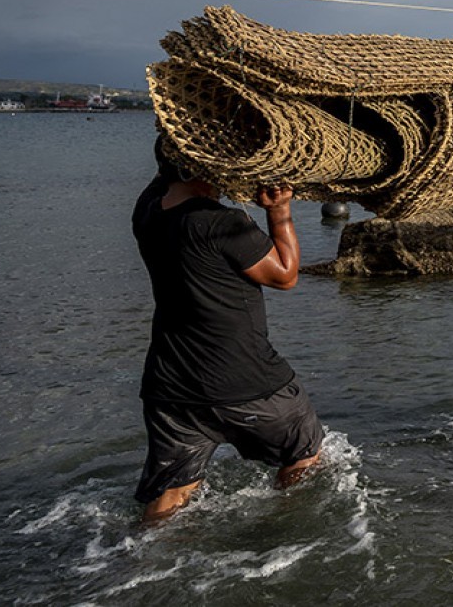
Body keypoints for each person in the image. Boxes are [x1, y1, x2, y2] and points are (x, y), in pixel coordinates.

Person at [130, 136, 323, 522]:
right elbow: (285, 275)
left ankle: (138, 561)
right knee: (305, 453)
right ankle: (285, 529)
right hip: (247, 381)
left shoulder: (147, 212)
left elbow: (164, 175)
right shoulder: (221, 223)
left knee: (173, 491)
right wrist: (280, 210)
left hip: (172, 386)